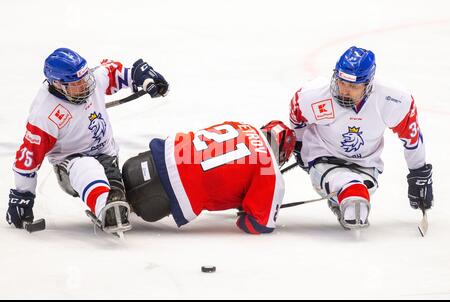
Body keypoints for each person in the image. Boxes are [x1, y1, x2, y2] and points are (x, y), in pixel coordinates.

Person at [6, 47, 169, 235]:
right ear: (57, 84)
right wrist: (22, 195)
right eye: (77, 83)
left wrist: (144, 78)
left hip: (107, 156)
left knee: (119, 186)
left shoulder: (89, 80)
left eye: (85, 77)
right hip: (71, 164)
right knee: (87, 167)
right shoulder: (44, 113)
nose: (85, 85)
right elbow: (29, 156)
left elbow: (116, 72)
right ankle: (104, 206)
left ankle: (114, 198)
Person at [289, 46, 433, 230]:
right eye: (341, 82)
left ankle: (344, 193)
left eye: (353, 86)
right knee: (355, 202)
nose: (344, 90)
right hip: (323, 156)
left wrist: (418, 173)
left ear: (368, 84)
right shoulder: (313, 96)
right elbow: (297, 120)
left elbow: (411, 140)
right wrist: (299, 146)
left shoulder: (393, 100)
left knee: (356, 202)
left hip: (366, 165)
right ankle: (345, 192)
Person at [121, 120, 296, 234]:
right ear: (282, 153)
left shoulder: (242, 125)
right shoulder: (269, 170)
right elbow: (258, 225)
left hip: (154, 156)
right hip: (168, 197)